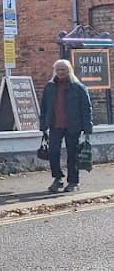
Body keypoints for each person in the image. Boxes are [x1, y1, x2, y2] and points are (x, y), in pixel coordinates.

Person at [39, 59, 93, 193]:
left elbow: (86, 109)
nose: (60, 72)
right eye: (58, 70)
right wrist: (43, 126)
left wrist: (87, 129)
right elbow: (44, 108)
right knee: (53, 153)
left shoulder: (78, 87)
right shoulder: (49, 87)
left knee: (72, 155)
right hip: (54, 125)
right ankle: (58, 179)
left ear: (69, 71)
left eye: (63, 69)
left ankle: (73, 182)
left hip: (73, 126)